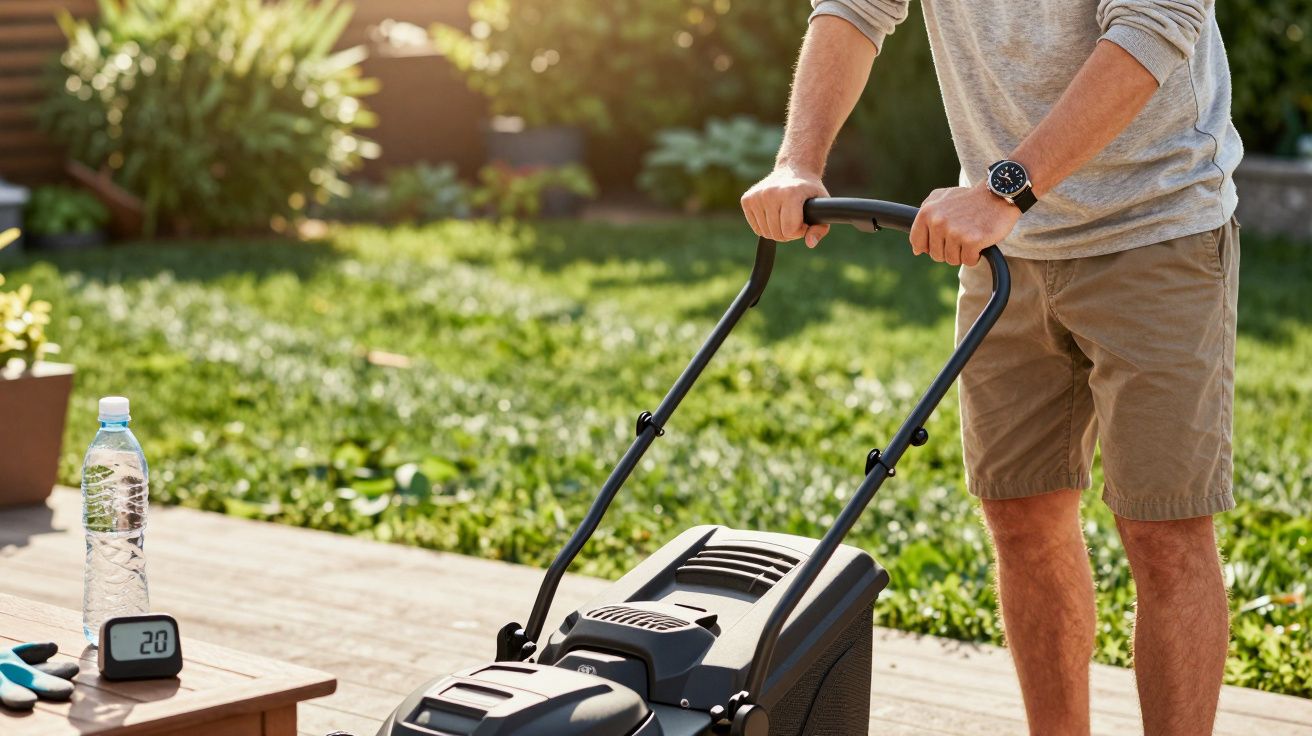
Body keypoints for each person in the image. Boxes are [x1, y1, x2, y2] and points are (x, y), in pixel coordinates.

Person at [739, 2, 1241, 734]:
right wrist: (798, 161)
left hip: (1154, 226)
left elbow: (1152, 26)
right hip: (1005, 249)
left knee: (1164, 532)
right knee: (1021, 515)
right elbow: (853, 9)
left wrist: (1006, 188)